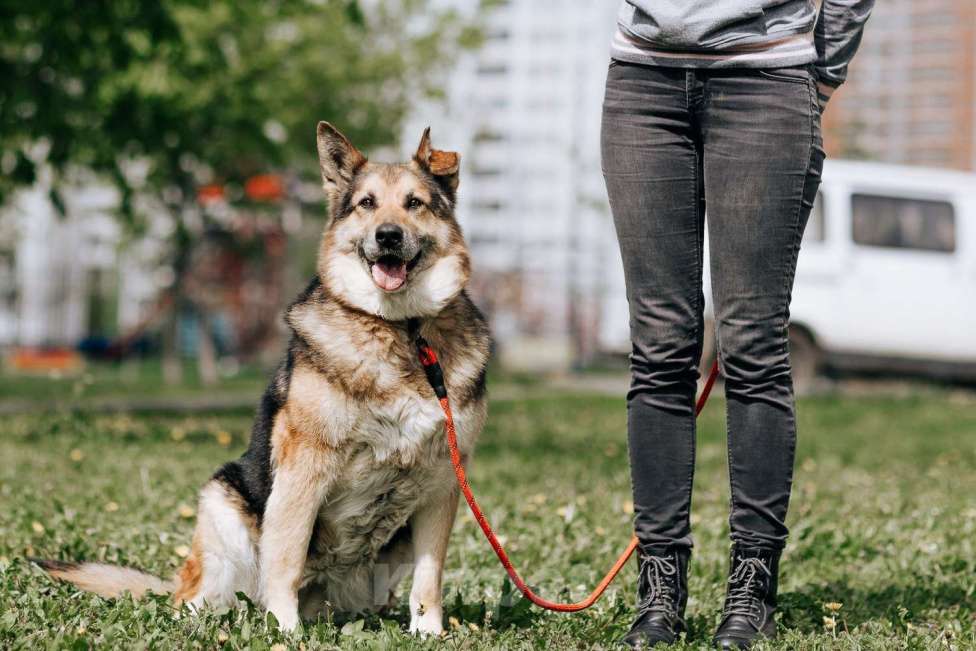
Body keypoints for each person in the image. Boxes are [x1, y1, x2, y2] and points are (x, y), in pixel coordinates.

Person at [601, 1, 873, 648]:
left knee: (752, 344)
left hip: (768, 82)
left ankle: (752, 589)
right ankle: (660, 590)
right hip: (643, 83)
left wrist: (820, 72)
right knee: (660, 347)